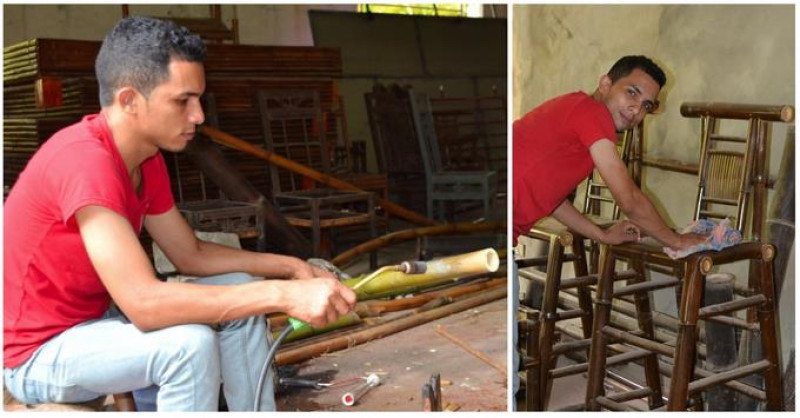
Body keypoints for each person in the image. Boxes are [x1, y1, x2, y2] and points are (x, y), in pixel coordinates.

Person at [3, 16, 356, 411]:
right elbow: (143, 303)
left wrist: (289, 267)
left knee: (236, 285)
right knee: (188, 346)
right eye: (182, 101)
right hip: (39, 355)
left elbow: (190, 254)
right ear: (129, 100)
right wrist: (282, 293)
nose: (199, 115)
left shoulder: (146, 158)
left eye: (198, 99)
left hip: (97, 328)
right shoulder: (84, 161)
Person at [510, 55, 707, 405]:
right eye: (631, 93)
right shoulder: (590, 113)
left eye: (646, 105)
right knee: (502, 372)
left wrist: (599, 234)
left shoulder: (582, 123)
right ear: (605, 84)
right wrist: (677, 240)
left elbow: (553, 197)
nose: (636, 110)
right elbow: (629, 199)